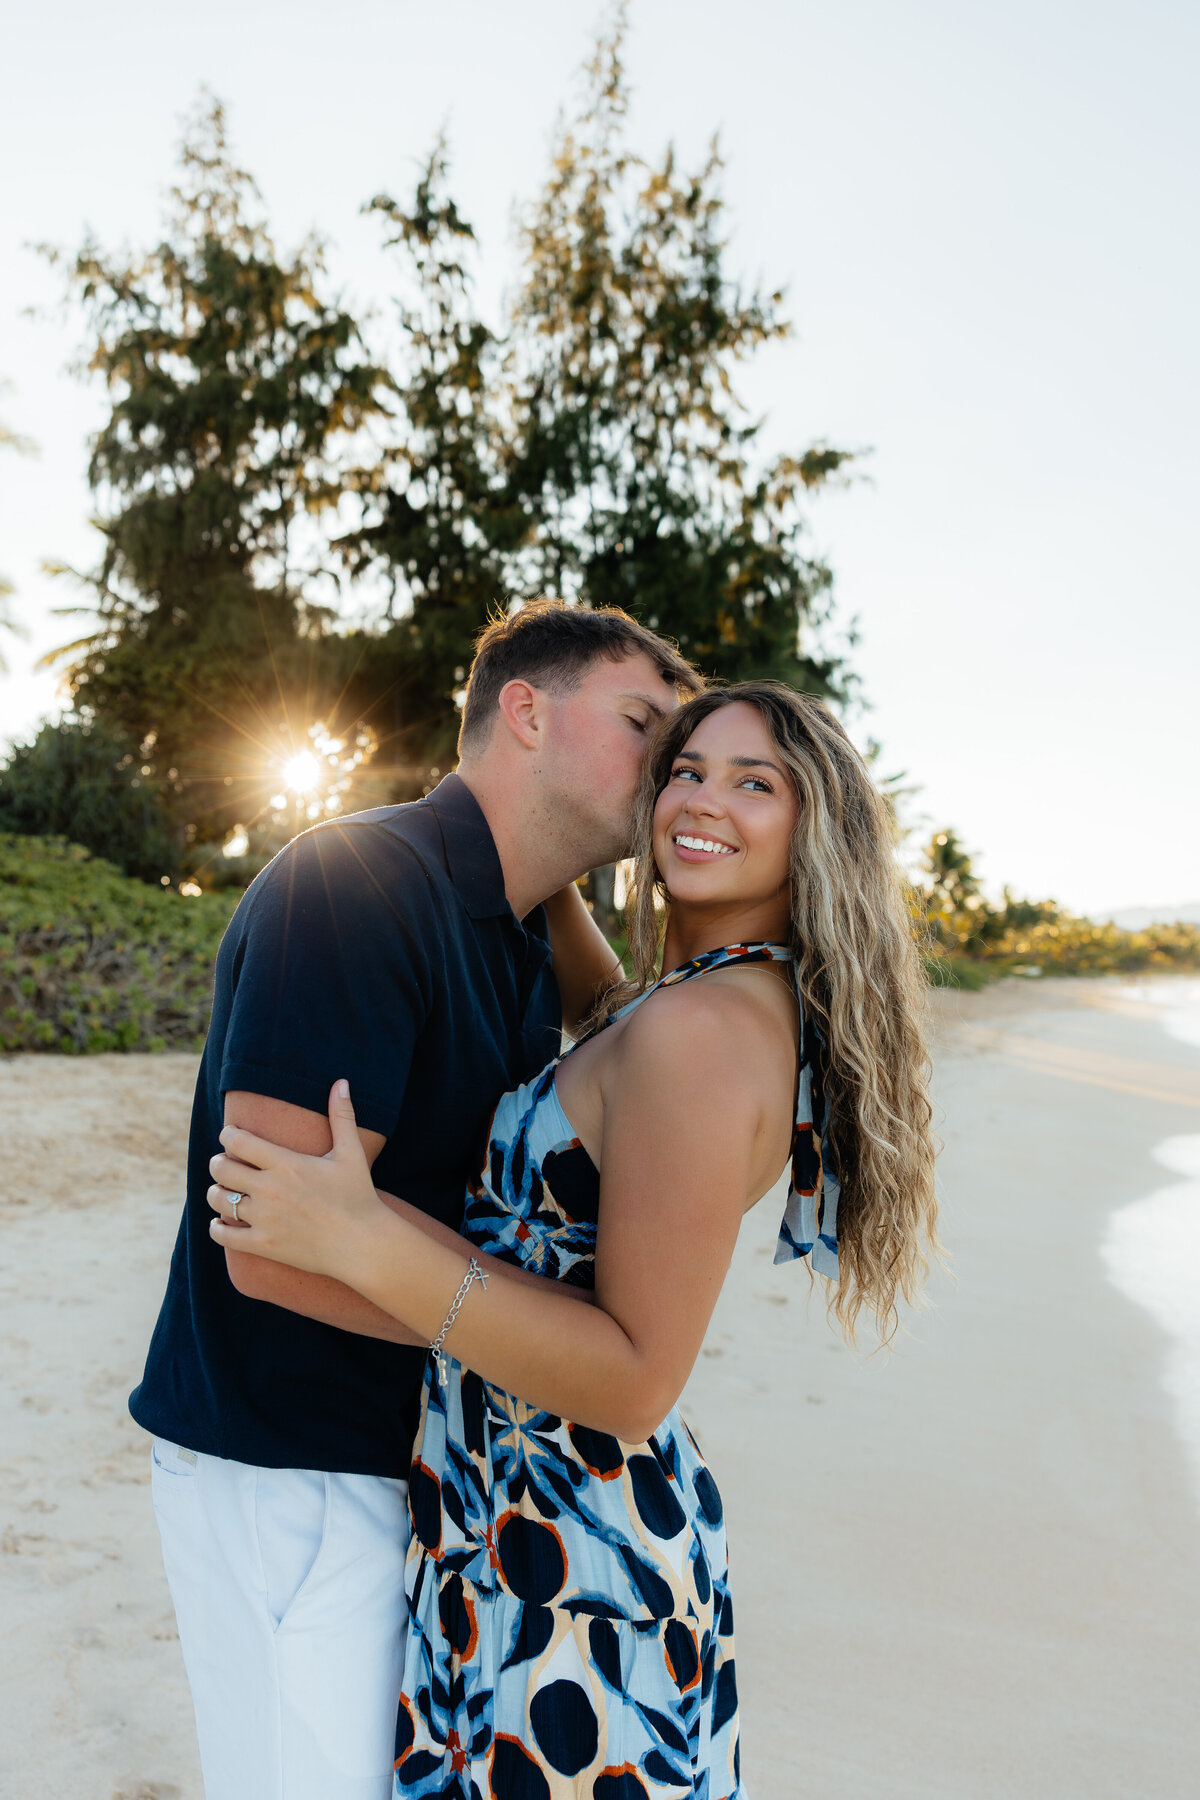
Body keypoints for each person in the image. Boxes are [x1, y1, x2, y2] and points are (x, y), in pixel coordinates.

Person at [204, 681, 940, 1799]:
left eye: (755, 783)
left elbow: (638, 1377)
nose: (702, 798)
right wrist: (533, 837)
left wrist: (364, 1239)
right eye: (684, 768)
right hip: (531, 1521)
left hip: (571, 1558)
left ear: (815, 828)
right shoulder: (705, 1000)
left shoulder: (699, 1033)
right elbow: (604, 1023)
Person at [128, 600, 702, 1800]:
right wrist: (563, 1338)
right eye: (644, 724)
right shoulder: (357, 886)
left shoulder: (519, 928)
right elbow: (269, 1251)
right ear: (525, 712)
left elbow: (635, 1033)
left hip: (430, 1466)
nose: (671, 768)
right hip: (293, 1468)